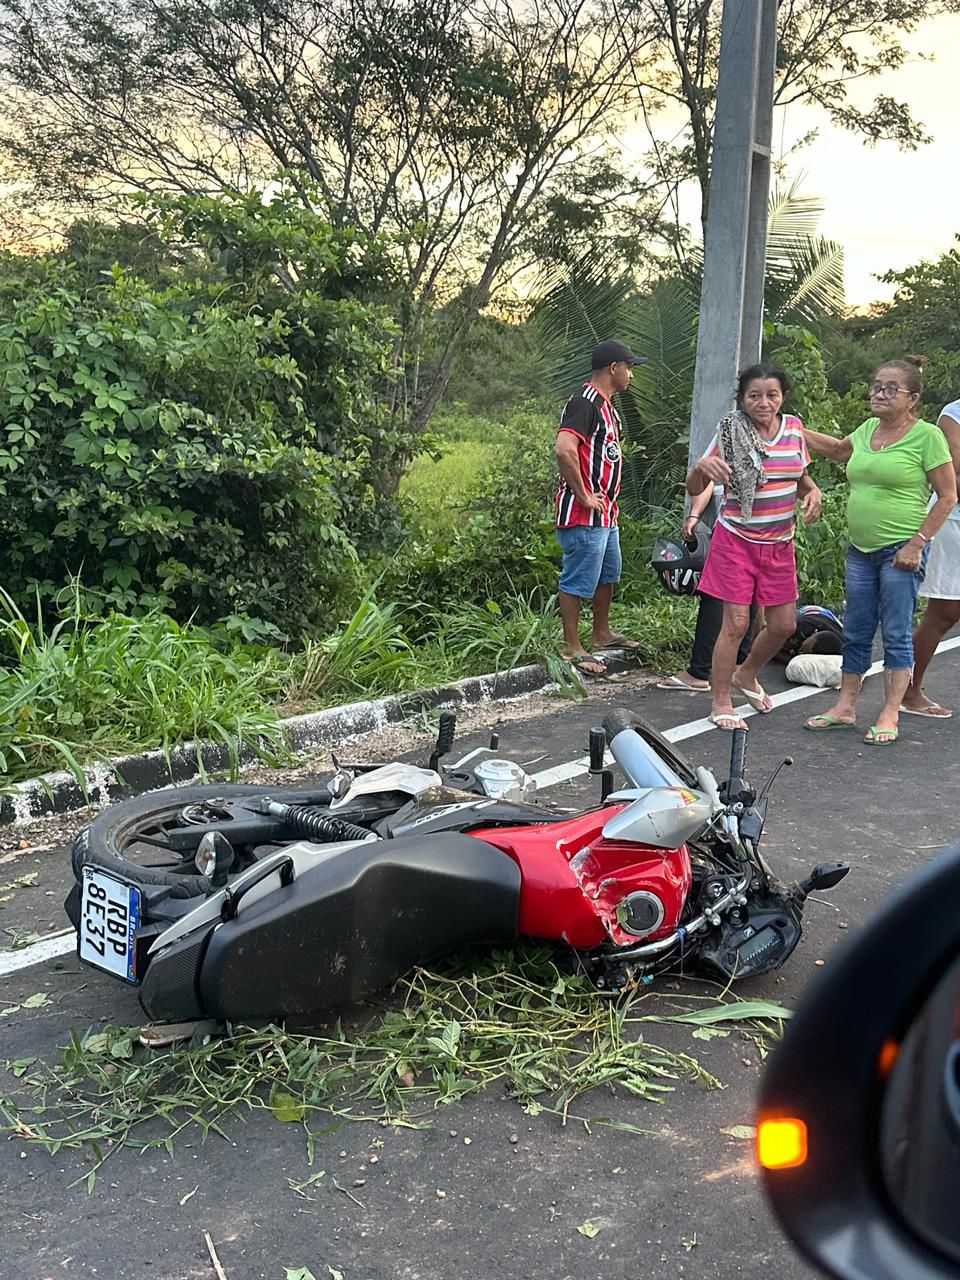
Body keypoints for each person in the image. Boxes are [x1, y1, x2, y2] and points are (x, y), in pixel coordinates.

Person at [802, 358, 957, 744]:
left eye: (891, 388)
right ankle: (845, 707)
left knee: (895, 632)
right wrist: (791, 428)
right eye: (876, 386)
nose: (880, 394)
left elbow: (948, 495)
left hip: (900, 551)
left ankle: (890, 713)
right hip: (861, 549)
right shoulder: (869, 428)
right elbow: (839, 451)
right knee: (856, 630)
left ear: (913, 398)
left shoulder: (926, 436)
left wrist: (917, 542)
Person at [685, 362, 822, 730]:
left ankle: (747, 674)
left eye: (771, 395)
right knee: (737, 624)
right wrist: (701, 468)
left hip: (780, 543)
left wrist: (812, 492)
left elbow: (801, 475)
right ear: (743, 400)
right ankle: (721, 700)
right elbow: (694, 486)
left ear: (783, 397)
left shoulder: (793, 428)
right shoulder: (730, 431)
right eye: (754, 396)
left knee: (783, 624)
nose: (764, 403)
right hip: (737, 541)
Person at [554, 338, 646, 675]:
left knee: (607, 574)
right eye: (629, 367)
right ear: (613, 368)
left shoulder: (606, 405)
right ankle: (571, 645)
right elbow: (565, 449)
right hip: (584, 512)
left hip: (606, 511)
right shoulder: (585, 402)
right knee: (578, 578)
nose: (631, 375)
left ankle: (601, 633)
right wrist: (581, 493)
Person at [655, 478, 757, 691]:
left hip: (733, 527)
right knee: (750, 589)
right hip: (763, 525)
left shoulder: (733, 445)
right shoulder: (777, 447)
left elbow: (708, 477)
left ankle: (698, 672)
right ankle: (739, 662)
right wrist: (694, 515)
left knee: (714, 594)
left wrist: (694, 515)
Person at [901, 397, 960, 718]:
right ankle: (909, 691)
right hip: (953, 524)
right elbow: (954, 481)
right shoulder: (953, 414)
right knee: (944, 613)